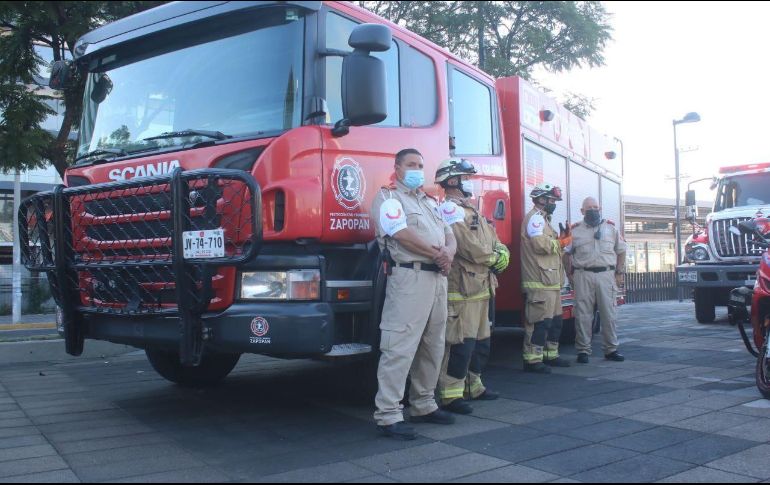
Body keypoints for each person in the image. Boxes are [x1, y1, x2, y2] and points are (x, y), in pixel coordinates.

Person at [371, 148, 458, 440]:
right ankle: (388, 414)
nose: (417, 169)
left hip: (437, 279)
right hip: (410, 278)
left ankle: (423, 404)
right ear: (397, 168)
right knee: (399, 346)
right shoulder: (388, 198)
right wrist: (439, 255)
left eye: (421, 165)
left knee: (433, 345)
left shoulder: (430, 202)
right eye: (411, 164)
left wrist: (448, 254)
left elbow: (450, 234)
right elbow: (401, 234)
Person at [434, 158, 510, 415]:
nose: (469, 183)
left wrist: (502, 253)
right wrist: (494, 258)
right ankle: (450, 394)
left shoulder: (470, 209)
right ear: (453, 181)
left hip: (482, 287)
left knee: (480, 343)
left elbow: (493, 239)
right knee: (459, 344)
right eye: (465, 179)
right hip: (462, 288)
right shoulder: (449, 210)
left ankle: (473, 386)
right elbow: (466, 245)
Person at [566, 197, 627, 364]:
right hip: (582, 275)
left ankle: (611, 349)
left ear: (600, 209)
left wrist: (619, 272)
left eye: (595, 207)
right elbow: (567, 253)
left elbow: (621, 251)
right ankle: (583, 351)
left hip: (606, 275)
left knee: (609, 314)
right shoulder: (574, 230)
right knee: (582, 315)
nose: (593, 210)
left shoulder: (611, 228)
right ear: (582, 211)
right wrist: (569, 274)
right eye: (589, 208)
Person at [520, 183, 572, 374]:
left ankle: (551, 355)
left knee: (555, 321)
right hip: (539, 281)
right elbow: (539, 244)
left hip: (551, 281)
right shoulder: (536, 219)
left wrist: (562, 240)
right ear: (541, 199)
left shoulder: (545, 220)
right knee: (539, 322)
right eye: (551, 200)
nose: (554, 203)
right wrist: (561, 242)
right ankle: (532, 360)